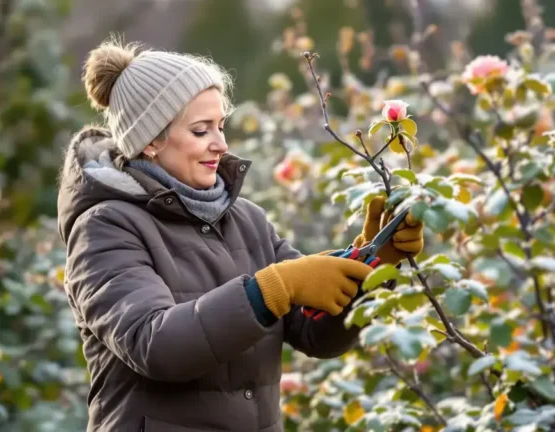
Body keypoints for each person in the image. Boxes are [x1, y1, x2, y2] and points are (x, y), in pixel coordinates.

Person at [56, 38, 424, 432]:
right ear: (150, 141)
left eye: (220, 125)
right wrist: (272, 289)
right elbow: (156, 346)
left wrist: (369, 266)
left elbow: (315, 334)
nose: (221, 144)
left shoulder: (246, 219)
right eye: (201, 131)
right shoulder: (104, 226)